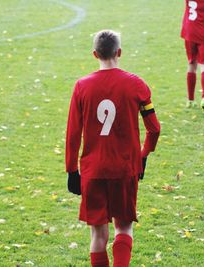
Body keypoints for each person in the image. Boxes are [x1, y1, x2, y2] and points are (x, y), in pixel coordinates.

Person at [65, 30, 161, 267]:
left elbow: (73, 134)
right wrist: (143, 154)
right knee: (124, 227)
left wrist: (71, 170)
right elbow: (155, 129)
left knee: (98, 235)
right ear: (119, 52)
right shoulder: (136, 84)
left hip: (92, 171)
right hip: (125, 168)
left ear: (95, 54)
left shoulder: (81, 87)